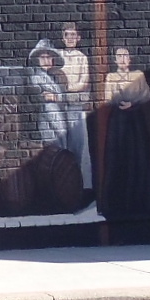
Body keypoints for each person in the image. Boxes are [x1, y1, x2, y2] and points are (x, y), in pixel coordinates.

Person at [98, 47, 150, 222]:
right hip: (118, 121)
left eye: (125, 55)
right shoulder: (111, 77)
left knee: (138, 157)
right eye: (119, 56)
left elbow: (146, 94)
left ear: (130, 58)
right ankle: (116, 204)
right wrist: (121, 102)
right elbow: (108, 97)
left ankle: (140, 203)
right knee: (118, 158)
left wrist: (132, 103)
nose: (122, 59)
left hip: (136, 119)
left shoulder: (138, 76)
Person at [57, 22, 94, 192]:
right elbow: (54, 77)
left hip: (75, 104)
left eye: (73, 35)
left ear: (78, 38)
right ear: (62, 38)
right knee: (60, 145)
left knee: (77, 144)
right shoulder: (57, 55)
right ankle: (62, 184)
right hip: (59, 106)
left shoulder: (82, 57)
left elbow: (84, 82)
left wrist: (68, 89)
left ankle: (78, 185)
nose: (70, 38)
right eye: (67, 35)